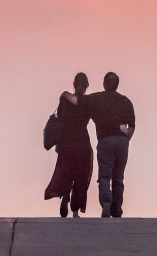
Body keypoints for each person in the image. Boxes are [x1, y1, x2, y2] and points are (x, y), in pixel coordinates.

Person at [62, 71, 135, 218]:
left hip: (105, 140)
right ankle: (117, 209)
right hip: (121, 141)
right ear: (117, 85)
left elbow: (77, 101)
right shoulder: (125, 101)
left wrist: (65, 94)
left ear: (104, 84)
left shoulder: (96, 99)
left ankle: (106, 204)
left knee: (105, 175)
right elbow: (131, 125)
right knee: (118, 177)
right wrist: (124, 137)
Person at [44, 72, 93, 217]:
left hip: (67, 141)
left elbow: (60, 122)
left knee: (65, 171)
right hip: (82, 141)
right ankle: (75, 211)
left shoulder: (64, 100)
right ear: (87, 86)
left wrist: (58, 143)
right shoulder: (89, 102)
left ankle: (65, 195)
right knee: (80, 174)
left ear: (74, 84)